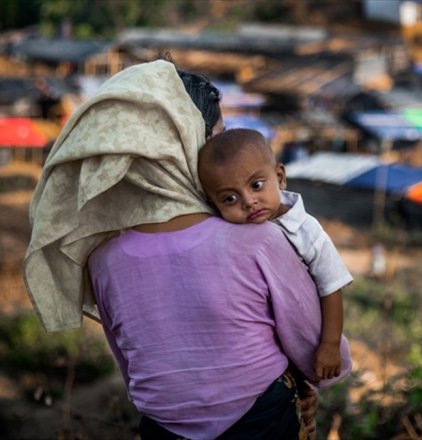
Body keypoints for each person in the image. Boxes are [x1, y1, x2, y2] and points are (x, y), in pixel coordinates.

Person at [24, 59, 351, 439]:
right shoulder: (256, 238)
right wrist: (314, 380)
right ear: (180, 144)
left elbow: (132, 362)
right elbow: (309, 339)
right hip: (260, 418)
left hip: (162, 427)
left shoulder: (102, 261)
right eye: (213, 138)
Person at [198, 128, 353, 382]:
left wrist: (330, 345)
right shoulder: (227, 236)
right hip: (261, 352)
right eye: (229, 198)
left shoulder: (306, 230)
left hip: (309, 343)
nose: (248, 201)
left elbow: (332, 286)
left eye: (256, 185)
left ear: (280, 177)